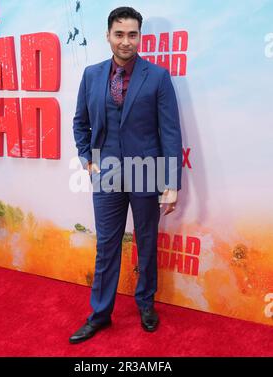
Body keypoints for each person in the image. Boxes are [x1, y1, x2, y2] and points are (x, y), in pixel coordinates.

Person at [70, 6, 182, 344]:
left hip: (147, 171)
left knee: (146, 242)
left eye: (132, 34)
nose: (126, 41)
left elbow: (170, 132)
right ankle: (100, 314)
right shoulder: (91, 74)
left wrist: (172, 183)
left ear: (139, 36)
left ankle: (146, 304)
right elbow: (80, 122)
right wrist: (86, 157)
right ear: (108, 36)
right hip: (106, 173)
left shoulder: (157, 76)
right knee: (106, 245)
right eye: (119, 34)